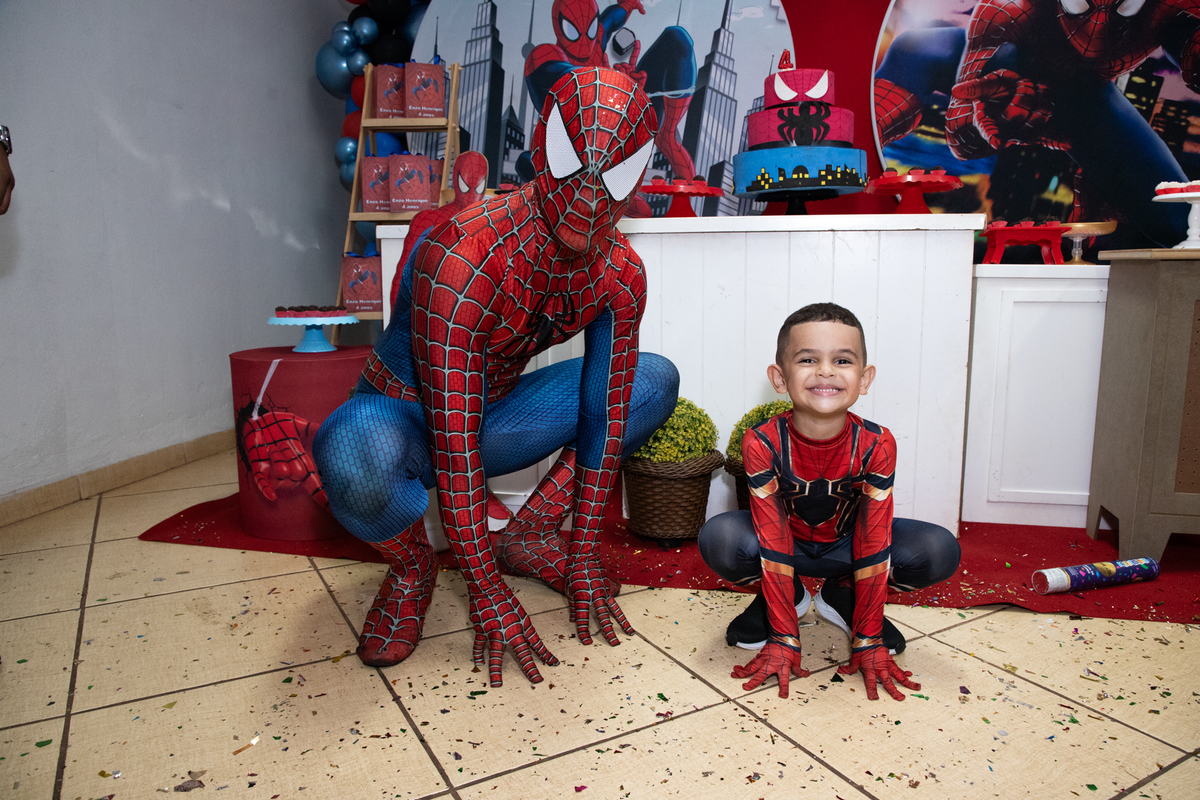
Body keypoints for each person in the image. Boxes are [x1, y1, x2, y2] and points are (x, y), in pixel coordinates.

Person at [313, 68, 679, 687]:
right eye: (573, 163)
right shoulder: (464, 252)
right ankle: (412, 570)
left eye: (614, 176)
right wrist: (484, 589)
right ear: (541, 145)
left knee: (652, 381)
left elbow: (605, 417)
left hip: (491, 413)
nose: (590, 197)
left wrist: (583, 550)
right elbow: (452, 444)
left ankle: (529, 535)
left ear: (638, 176)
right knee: (350, 452)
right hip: (399, 418)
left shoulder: (620, 275)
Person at [698, 303, 960, 701]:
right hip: (786, 547)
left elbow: (873, 539)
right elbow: (772, 537)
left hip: (848, 550)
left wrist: (868, 636)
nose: (825, 371)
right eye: (808, 359)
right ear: (780, 377)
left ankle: (843, 594)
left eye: (842, 360)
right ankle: (787, 598)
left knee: (938, 549)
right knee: (720, 538)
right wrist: (784, 636)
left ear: (864, 379)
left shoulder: (877, 443)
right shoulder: (762, 442)